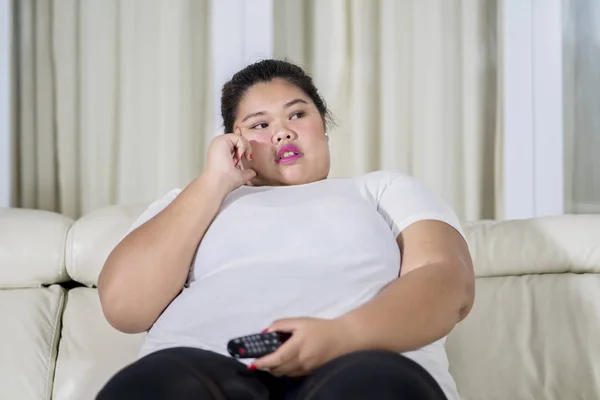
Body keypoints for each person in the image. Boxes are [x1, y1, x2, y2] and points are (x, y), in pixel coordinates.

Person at [96, 59, 475, 400]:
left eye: (296, 116)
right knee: (157, 385)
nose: (282, 133)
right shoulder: (192, 201)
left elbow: (446, 281)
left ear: (323, 127)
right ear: (235, 142)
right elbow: (124, 306)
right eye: (260, 124)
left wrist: (344, 336)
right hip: (201, 365)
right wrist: (214, 182)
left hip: (358, 362)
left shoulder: (381, 189)